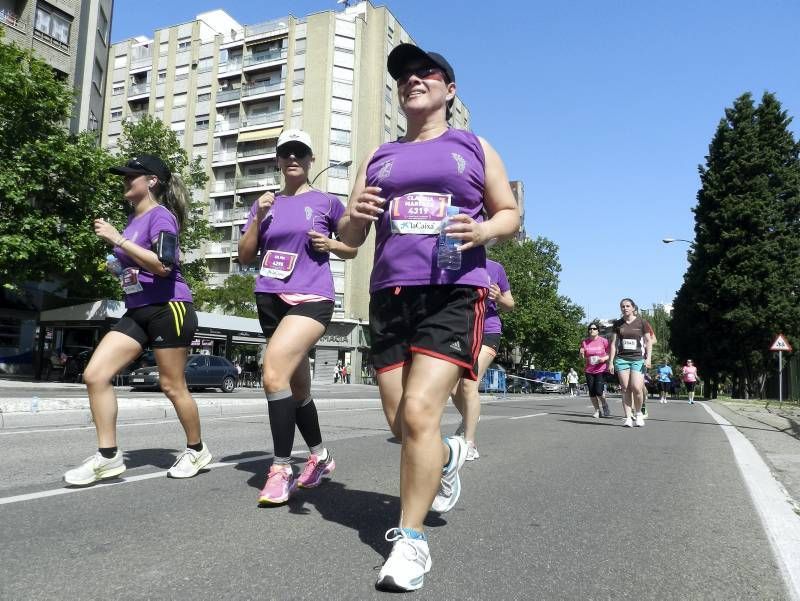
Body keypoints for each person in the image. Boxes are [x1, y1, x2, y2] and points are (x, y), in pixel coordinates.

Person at [337, 44, 520, 591]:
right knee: (401, 425)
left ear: (449, 89)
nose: (413, 81)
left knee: (419, 413)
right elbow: (350, 242)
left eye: (425, 73)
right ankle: (448, 455)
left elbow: (508, 212)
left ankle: (411, 542)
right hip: (390, 296)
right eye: (404, 77)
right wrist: (353, 217)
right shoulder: (379, 156)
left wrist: (485, 231)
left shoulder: (473, 146)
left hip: (453, 291)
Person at [64, 154, 211, 486]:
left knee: (172, 385)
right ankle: (108, 457)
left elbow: (164, 265)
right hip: (139, 308)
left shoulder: (162, 217)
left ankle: (197, 450)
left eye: (132, 176)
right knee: (95, 375)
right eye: (124, 176)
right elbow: (137, 263)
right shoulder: (133, 220)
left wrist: (118, 240)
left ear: (151, 182)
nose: (125, 180)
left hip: (169, 307)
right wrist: (117, 264)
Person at [238, 129, 357, 505]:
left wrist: (332, 244)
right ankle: (320, 458)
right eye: (286, 152)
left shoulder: (326, 202)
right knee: (298, 389)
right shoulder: (263, 205)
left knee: (272, 372)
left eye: (300, 152)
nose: (293, 158)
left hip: (311, 296)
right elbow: (244, 256)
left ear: (310, 160)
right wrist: (257, 216)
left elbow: (351, 248)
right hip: (270, 298)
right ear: (278, 159)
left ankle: (280, 469)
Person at [452, 258, 515, 460]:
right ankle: (471, 415)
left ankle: (470, 443)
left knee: (469, 383)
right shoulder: (454, 261)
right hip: (461, 330)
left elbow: (510, 304)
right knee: (452, 385)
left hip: (488, 330)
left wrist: (499, 298)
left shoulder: (496, 268)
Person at [608, 298, 653, 428]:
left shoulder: (642, 322)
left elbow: (648, 341)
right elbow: (614, 344)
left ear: (633, 308)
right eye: (622, 306)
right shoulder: (618, 324)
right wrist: (611, 362)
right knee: (625, 388)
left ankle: (638, 414)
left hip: (638, 359)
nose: (625, 308)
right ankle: (628, 417)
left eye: (628, 306)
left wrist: (648, 358)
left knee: (637, 388)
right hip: (622, 359)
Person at [579, 323, 610, 418]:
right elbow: (581, 357)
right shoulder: (585, 342)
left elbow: (610, 353)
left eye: (594, 328)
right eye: (590, 329)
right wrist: (581, 353)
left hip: (601, 369)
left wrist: (604, 359)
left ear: (598, 330)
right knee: (592, 392)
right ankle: (597, 410)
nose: (592, 330)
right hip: (589, 370)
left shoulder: (604, 341)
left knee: (599, 391)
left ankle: (604, 405)